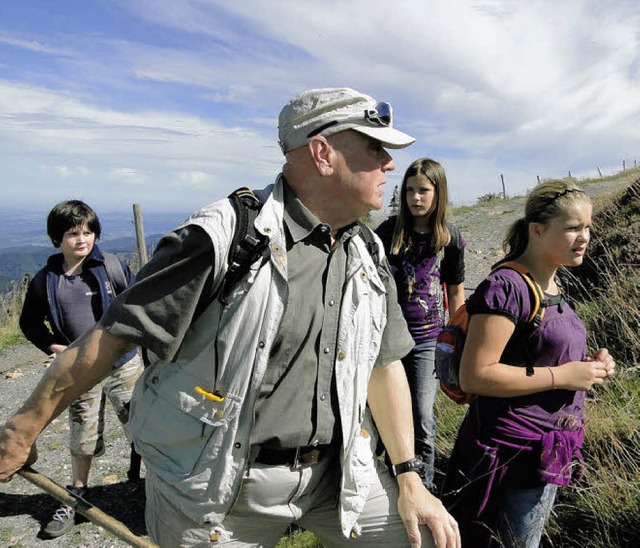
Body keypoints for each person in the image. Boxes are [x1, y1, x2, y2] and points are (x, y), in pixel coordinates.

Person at [0, 88, 460, 547]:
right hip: (221, 492)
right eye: (375, 148)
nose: (389, 165)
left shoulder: (367, 248)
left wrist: (408, 478)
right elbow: (110, 340)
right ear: (323, 153)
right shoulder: (223, 237)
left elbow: (382, 363)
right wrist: (22, 430)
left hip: (340, 476)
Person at [440, 179, 616, 547]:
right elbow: (477, 375)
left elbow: (537, 353)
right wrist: (562, 375)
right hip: (507, 456)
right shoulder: (507, 287)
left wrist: (589, 366)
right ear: (537, 230)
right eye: (572, 228)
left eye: (587, 227)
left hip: (545, 451)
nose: (584, 236)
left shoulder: (552, 283)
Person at [17, 200, 143, 538]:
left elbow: (137, 307)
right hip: (79, 372)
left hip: (123, 365)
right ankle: (76, 494)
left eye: (88, 232)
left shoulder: (112, 267)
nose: (82, 239)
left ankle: (157, 489)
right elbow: (29, 322)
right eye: (72, 233)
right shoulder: (46, 280)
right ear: (57, 238)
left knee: (143, 426)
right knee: (82, 435)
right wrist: (53, 347)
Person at [375, 158, 465, 490]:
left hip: (428, 339)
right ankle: (386, 486)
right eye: (410, 190)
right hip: (387, 338)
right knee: (385, 413)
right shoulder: (388, 231)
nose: (416, 198)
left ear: (438, 193)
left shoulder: (451, 238)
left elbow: (456, 292)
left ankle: (424, 488)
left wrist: (459, 339)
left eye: (424, 191)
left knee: (422, 416)